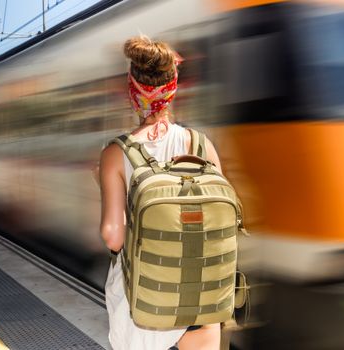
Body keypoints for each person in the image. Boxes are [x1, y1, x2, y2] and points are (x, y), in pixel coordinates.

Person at [99, 36, 223, 350]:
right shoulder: (201, 144)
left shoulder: (116, 153)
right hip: (200, 303)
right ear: (172, 92)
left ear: (132, 93)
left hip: (143, 306)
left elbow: (113, 237)